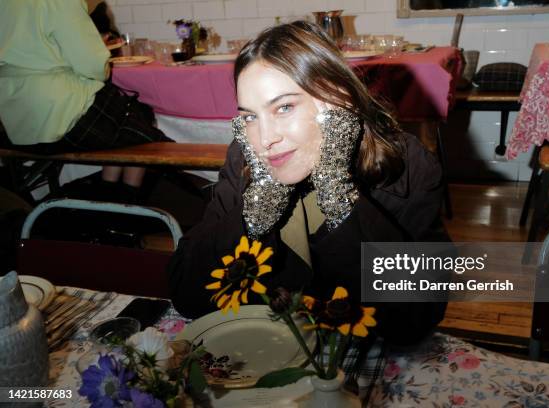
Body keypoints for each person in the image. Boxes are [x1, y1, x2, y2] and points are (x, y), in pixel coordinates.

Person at [167, 21, 449, 345]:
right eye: (250, 116)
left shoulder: (407, 167)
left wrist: (336, 193)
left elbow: (413, 323)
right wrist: (255, 210)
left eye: (283, 107)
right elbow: (186, 295)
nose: (265, 139)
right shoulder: (247, 160)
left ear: (337, 100)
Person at [0, 0, 172, 201]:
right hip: (60, 114)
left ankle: (109, 193)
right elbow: (94, 65)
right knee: (141, 120)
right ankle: (125, 200)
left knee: (127, 126)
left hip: (12, 119)